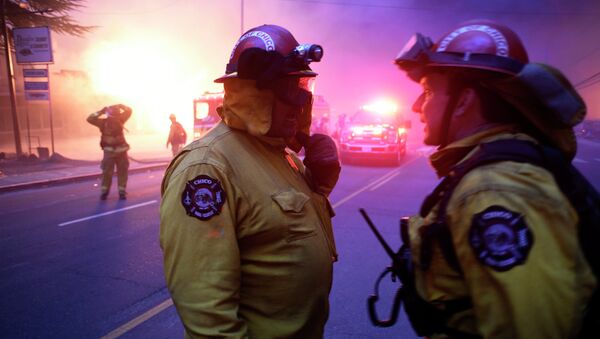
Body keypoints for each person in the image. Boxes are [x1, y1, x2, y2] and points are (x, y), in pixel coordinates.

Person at [391, 20, 598, 338]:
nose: (417, 106)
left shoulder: (497, 190)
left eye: (429, 91)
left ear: (463, 101)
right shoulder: (500, 170)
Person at [159, 24, 341, 338]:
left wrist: (319, 185)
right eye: (289, 90)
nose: (301, 102)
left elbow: (282, 231)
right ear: (252, 94)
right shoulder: (206, 169)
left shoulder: (281, 154)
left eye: (303, 88)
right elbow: (209, 316)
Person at [87, 104, 132, 200]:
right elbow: (129, 110)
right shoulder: (121, 119)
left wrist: (100, 111)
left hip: (109, 151)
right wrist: (122, 106)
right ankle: (121, 191)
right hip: (121, 150)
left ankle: (105, 192)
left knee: (107, 172)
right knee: (122, 172)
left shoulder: (103, 122)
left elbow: (90, 118)